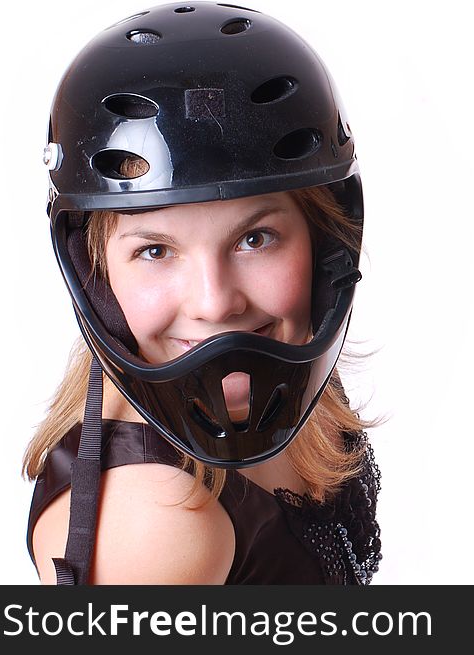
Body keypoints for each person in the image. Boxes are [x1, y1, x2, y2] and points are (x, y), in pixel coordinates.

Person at [22, 1, 382, 585]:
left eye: (256, 238)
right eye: (156, 251)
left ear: (323, 243)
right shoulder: (155, 527)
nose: (216, 305)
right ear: (96, 272)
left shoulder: (288, 360)